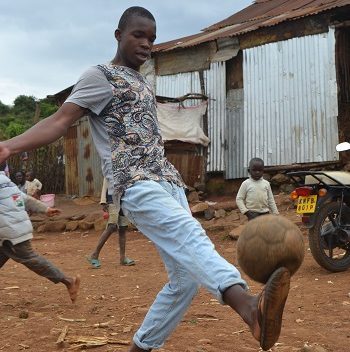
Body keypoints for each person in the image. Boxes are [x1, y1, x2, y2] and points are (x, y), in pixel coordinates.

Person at [0, 7, 291, 351]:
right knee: (189, 233)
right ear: (118, 35)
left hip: (167, 179)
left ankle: (142, 347)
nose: (146, 44)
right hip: (134, 182)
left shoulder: (142, 81)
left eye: (151, 38)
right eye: (138, 35)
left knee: (184, 281)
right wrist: (7, 145)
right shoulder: (100, 76)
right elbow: (60, 120)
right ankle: (248, 308)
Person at [0, 161, 80, 303]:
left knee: (31, 259)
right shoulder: (7, 182)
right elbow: (25, 199)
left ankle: (68, 280)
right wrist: (45, 208)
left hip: (10, 232)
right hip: (11, 229)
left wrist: (45, 209)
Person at [87, 177, 135, 268]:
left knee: (123, 228)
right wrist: (103, 201)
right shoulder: (110, 165)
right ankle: (94, 255)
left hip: (123, 198)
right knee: (112, 226)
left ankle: (123, 258)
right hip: (111, 198)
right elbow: (106, 181)